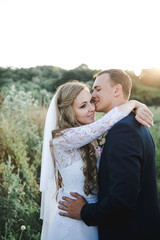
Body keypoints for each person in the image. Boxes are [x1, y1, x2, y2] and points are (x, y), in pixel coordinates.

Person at [40, 79, 153, 240]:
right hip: (73, 220)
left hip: (93, 217)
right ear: (67, 111)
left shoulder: (88, 137)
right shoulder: (62, 139)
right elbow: (104, 123)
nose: (92, 108)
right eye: (83, 106)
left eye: (91, 102)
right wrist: (135, 103)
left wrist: (138, 107)